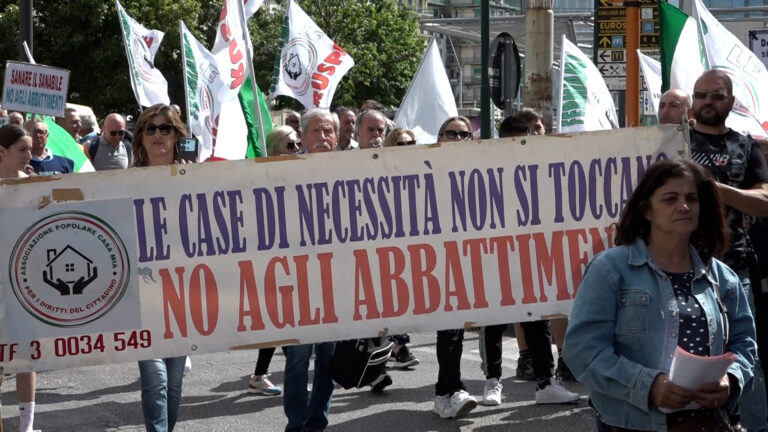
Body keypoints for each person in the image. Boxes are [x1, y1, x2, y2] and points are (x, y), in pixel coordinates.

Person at [564, 158, 757, 431]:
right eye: (670, 199)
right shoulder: (610, 270)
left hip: (707, 423)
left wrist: (731, 379)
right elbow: (583, 351)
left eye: (692, 198)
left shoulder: (723, 277)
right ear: (647, 211)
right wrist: (649, 386)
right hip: (631, 423)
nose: (684, 206)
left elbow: (745, 342)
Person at [477, 111, 579, 407]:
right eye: (520, 138)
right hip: (494, 254)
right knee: (493, 319)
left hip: (531, 254)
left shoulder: (544, 165)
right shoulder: (486, 166)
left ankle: (547, 383)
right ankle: (492, 382)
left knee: (537, 318)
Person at [689, 69, 768, 430]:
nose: (707, 102)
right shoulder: (671, 141)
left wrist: (718, 191)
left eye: (716, 96)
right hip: (675, 267)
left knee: (743, 354)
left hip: (734, 269)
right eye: (701, 94)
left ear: (730, 102)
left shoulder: (746, 146)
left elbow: (764, 200)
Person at [132, 104, 191, 432]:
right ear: (140, 137)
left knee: (174, 384)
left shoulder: (195, 178)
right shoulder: (124, 182)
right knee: (155, 381)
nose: (157, 134)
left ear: (176, 136)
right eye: (150, 129)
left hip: (184, 291)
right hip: (144, 293)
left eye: (165, 128)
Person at [282, 109, 337, 432]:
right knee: (298, 359)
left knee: (328, 359)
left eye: (328, 130)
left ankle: (318, 419)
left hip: (335, 280)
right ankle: (296, 420)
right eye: (316, 130)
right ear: (302, 137)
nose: (324, 136)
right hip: (299, 280)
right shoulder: (285, 171)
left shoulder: (350, 168)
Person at [431, 116, 478, 419]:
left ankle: (441, 393)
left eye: (465, 135)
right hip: (434, 260)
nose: (459, 140)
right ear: (440, 137)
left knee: (456, 330)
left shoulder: (478, 171)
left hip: (465, 258)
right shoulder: (428, 168)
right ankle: (456, 388)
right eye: (452, 134)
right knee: (448, 327)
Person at [0, 124, 38, 432]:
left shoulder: (35, 185)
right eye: (22, 149)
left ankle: (26, 426)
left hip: (25, 282)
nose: (30, 154)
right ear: (2, 152)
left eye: (30, 148)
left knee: (26, 355)